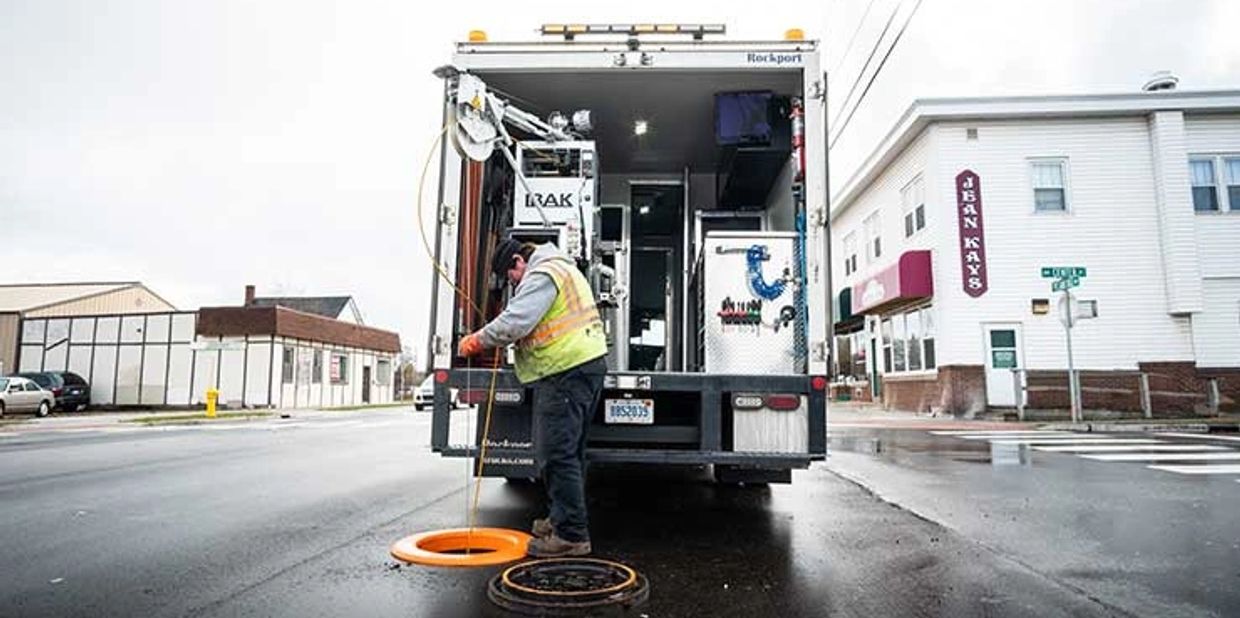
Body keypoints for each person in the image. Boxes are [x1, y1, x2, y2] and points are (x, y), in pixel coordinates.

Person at [457, 238, 608, 557]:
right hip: (583, 366)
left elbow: (515, 323)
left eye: (510, 277)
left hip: (564, 370)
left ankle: (571, 536)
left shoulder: (543, 274)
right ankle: (562, 519)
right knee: (569, 454)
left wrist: (476, 340)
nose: (513, 283)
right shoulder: (562, 268)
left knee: (555, 455)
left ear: (518, 261)